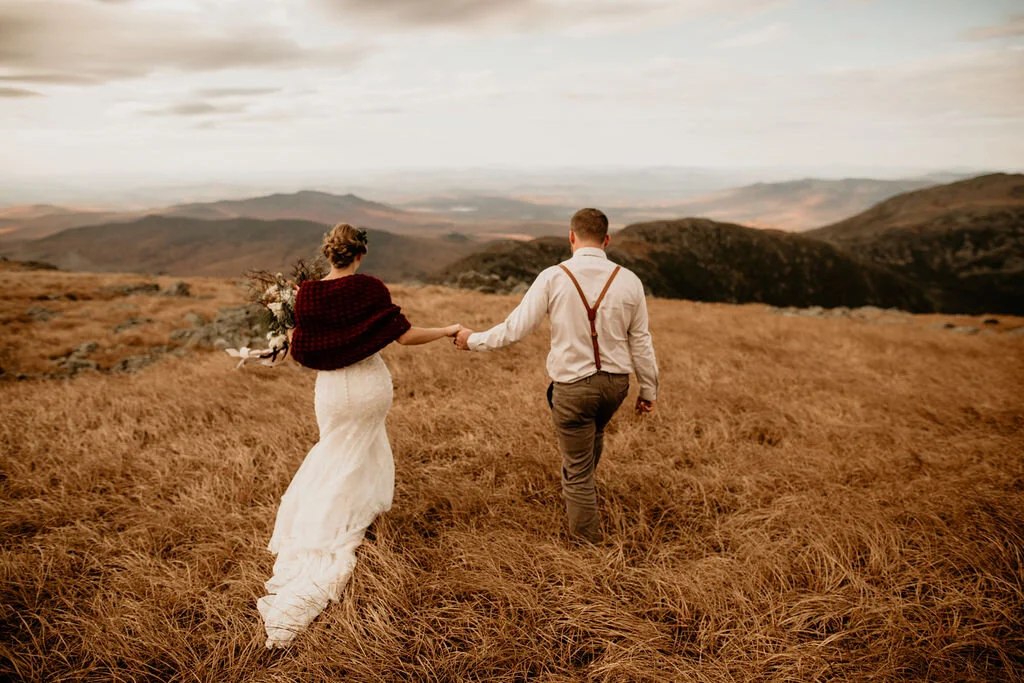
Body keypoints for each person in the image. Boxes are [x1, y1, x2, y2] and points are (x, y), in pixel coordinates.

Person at [257, 223, 461, 648]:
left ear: (329, 253)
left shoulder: (308, 293)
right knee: (360, 454)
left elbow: (303, 351)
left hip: (331, 391)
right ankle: (347, 525)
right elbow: (404, 337)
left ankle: (338, 521)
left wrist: (289, 334)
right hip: (369, 388)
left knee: (335, 454)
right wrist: (445, 331)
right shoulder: (369, 288)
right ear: (360, 253)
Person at [455, 208, 659, 544]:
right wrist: (648, 391)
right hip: (616, 386)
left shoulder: (553, 277)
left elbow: (515, 329)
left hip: (573, 387)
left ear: (571, 237)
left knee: (576, 471)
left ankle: (586, 550)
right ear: (607, 240)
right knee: (593, 433)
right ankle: (585, 496)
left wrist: (472, 340)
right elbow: (641, 340)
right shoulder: (630, 281)